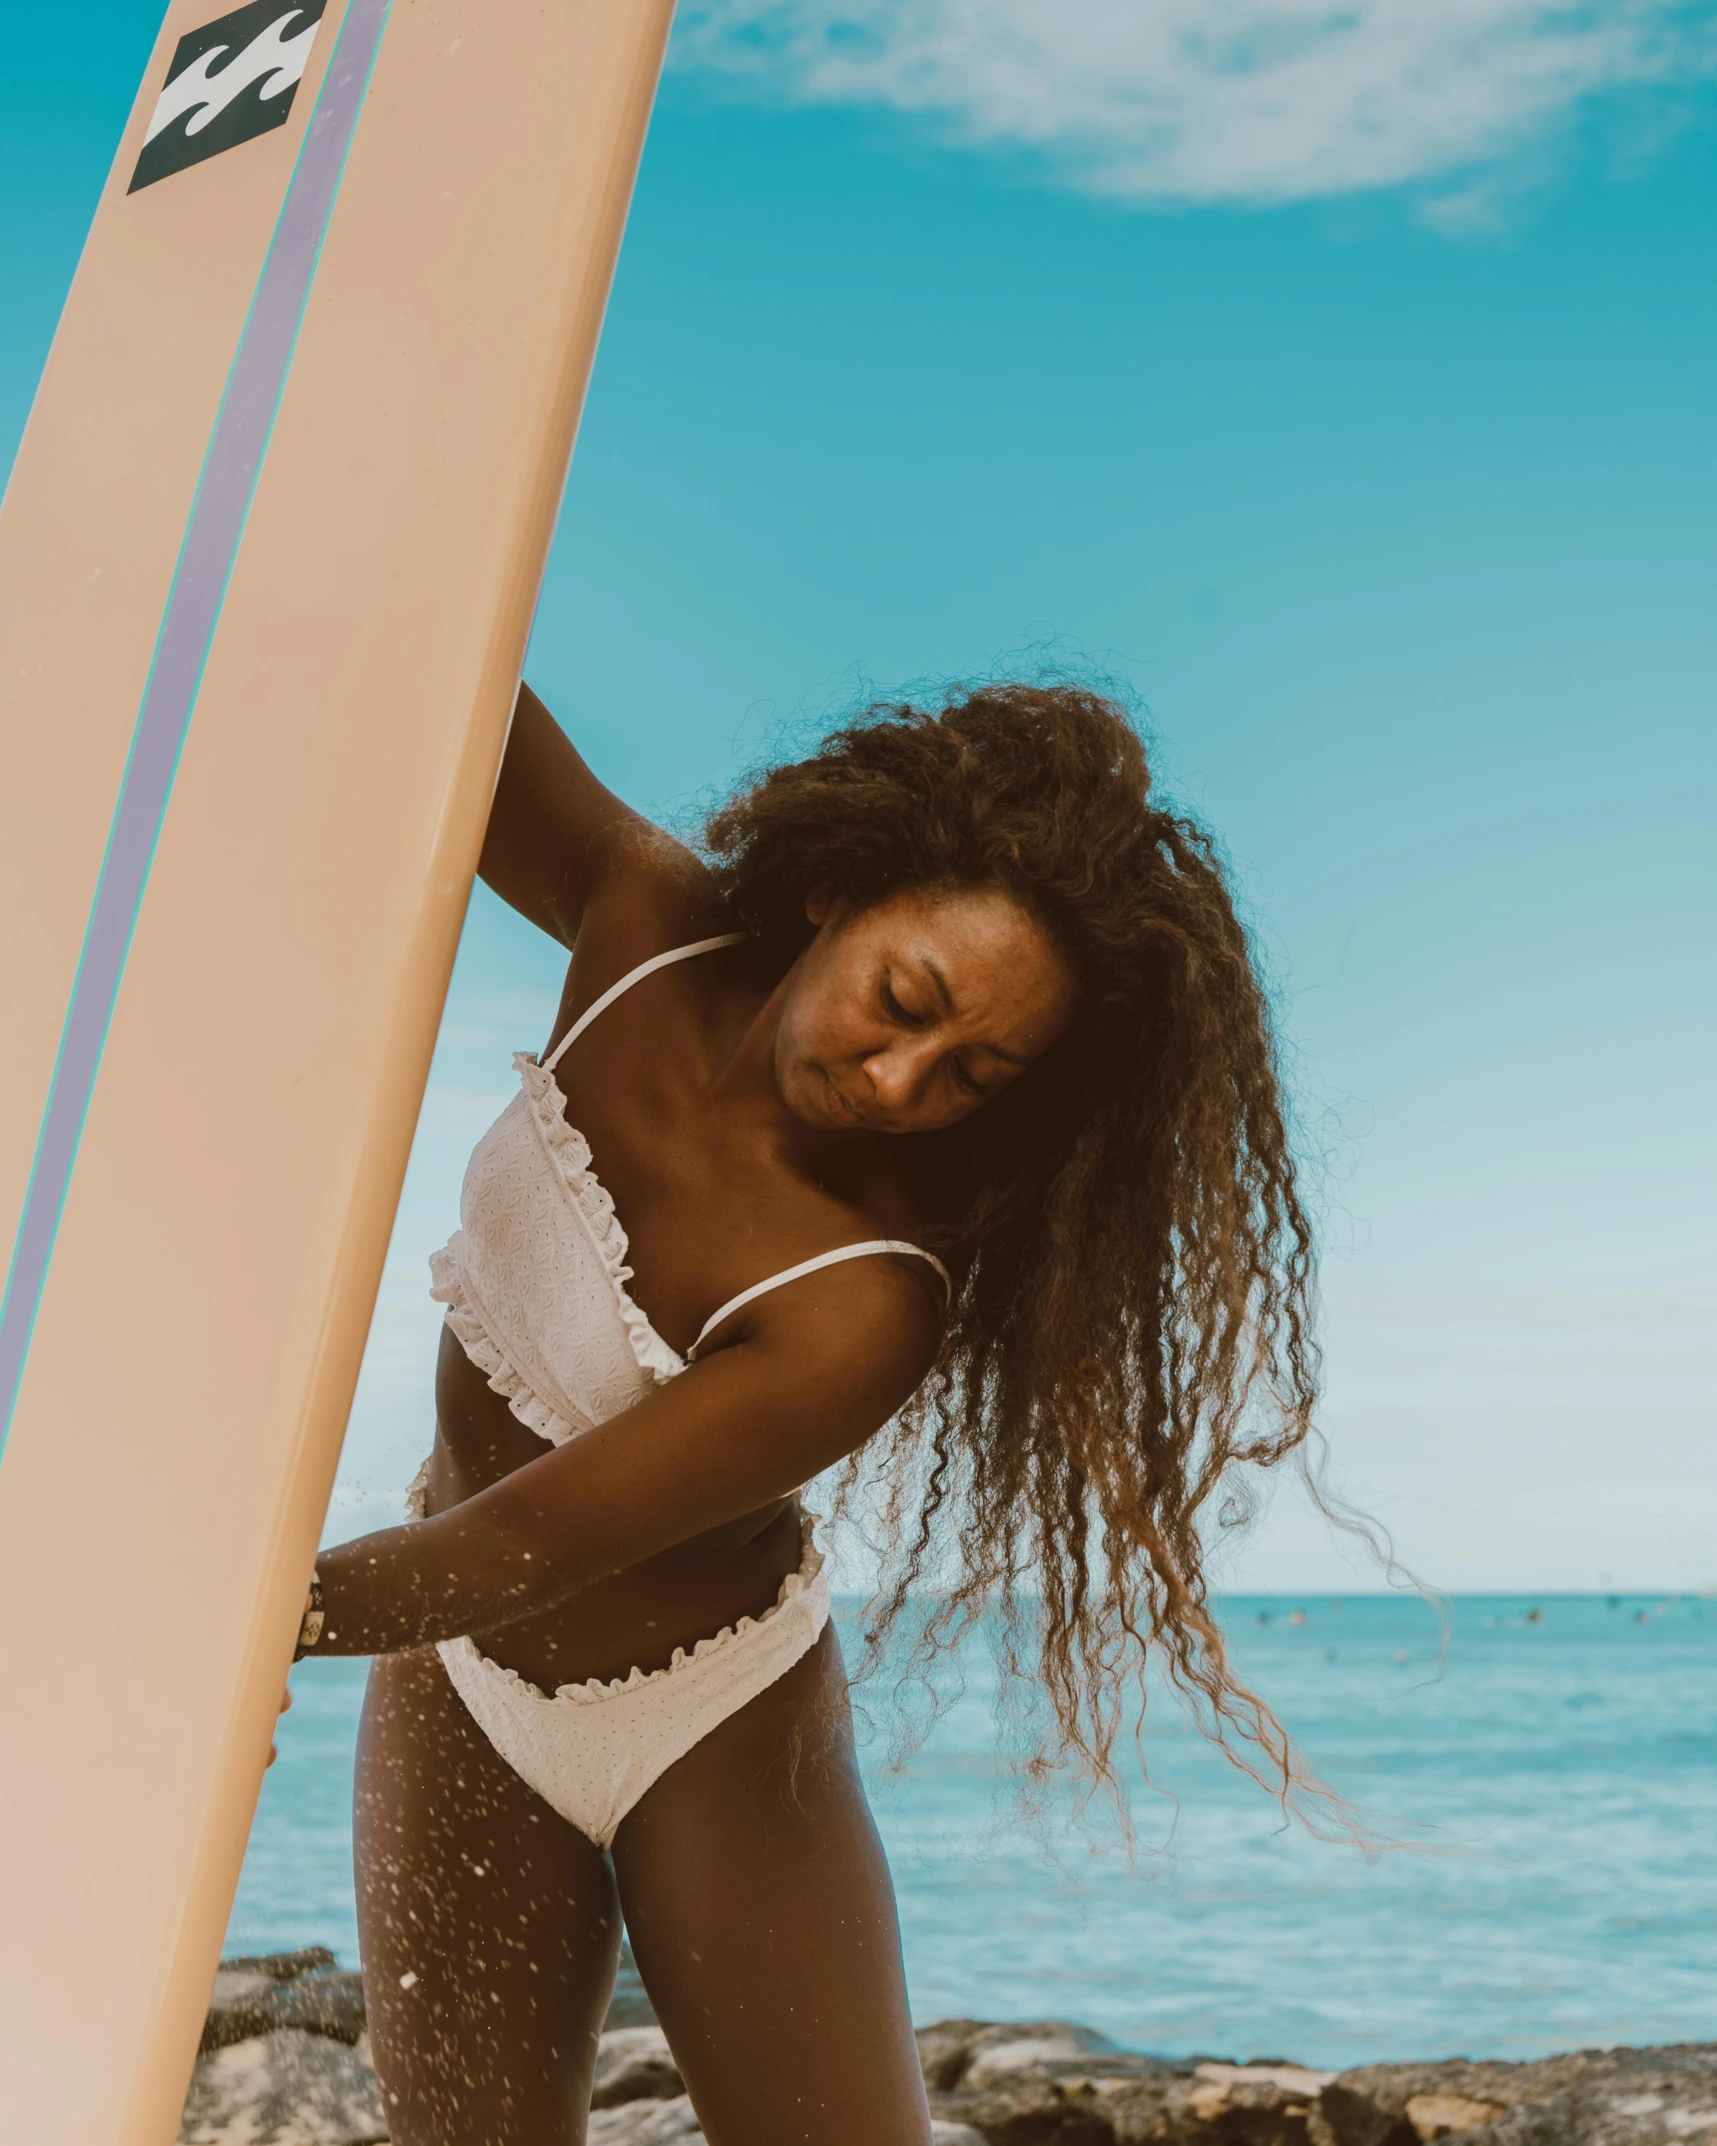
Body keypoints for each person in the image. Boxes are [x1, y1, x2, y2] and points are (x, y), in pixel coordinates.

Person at [293, 679, 1321, 2145]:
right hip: (460, 1679)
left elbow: (525, 1540)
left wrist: (240, 1618)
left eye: (971, 1075)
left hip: (704, 1725)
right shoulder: (641, 926)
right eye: (906, 1002)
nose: (898, 1079)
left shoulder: (864, 1302)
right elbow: (446, 691)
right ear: (841, 886)